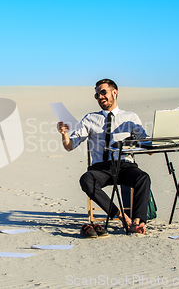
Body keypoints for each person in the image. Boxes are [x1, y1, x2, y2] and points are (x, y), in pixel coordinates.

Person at [57, 79, 151, 235]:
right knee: (86, 180)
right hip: (101, 168)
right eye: (97, 94)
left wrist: (150, 143)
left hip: (125, 165)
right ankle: (122, 217)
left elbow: (147, 145)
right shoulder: (90, 118)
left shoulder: (131, 117)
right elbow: (70, 146)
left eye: (103, 92)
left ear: (114, 92)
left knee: (143, 177)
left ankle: (137, 222)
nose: (100, 97)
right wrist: (64, 134)